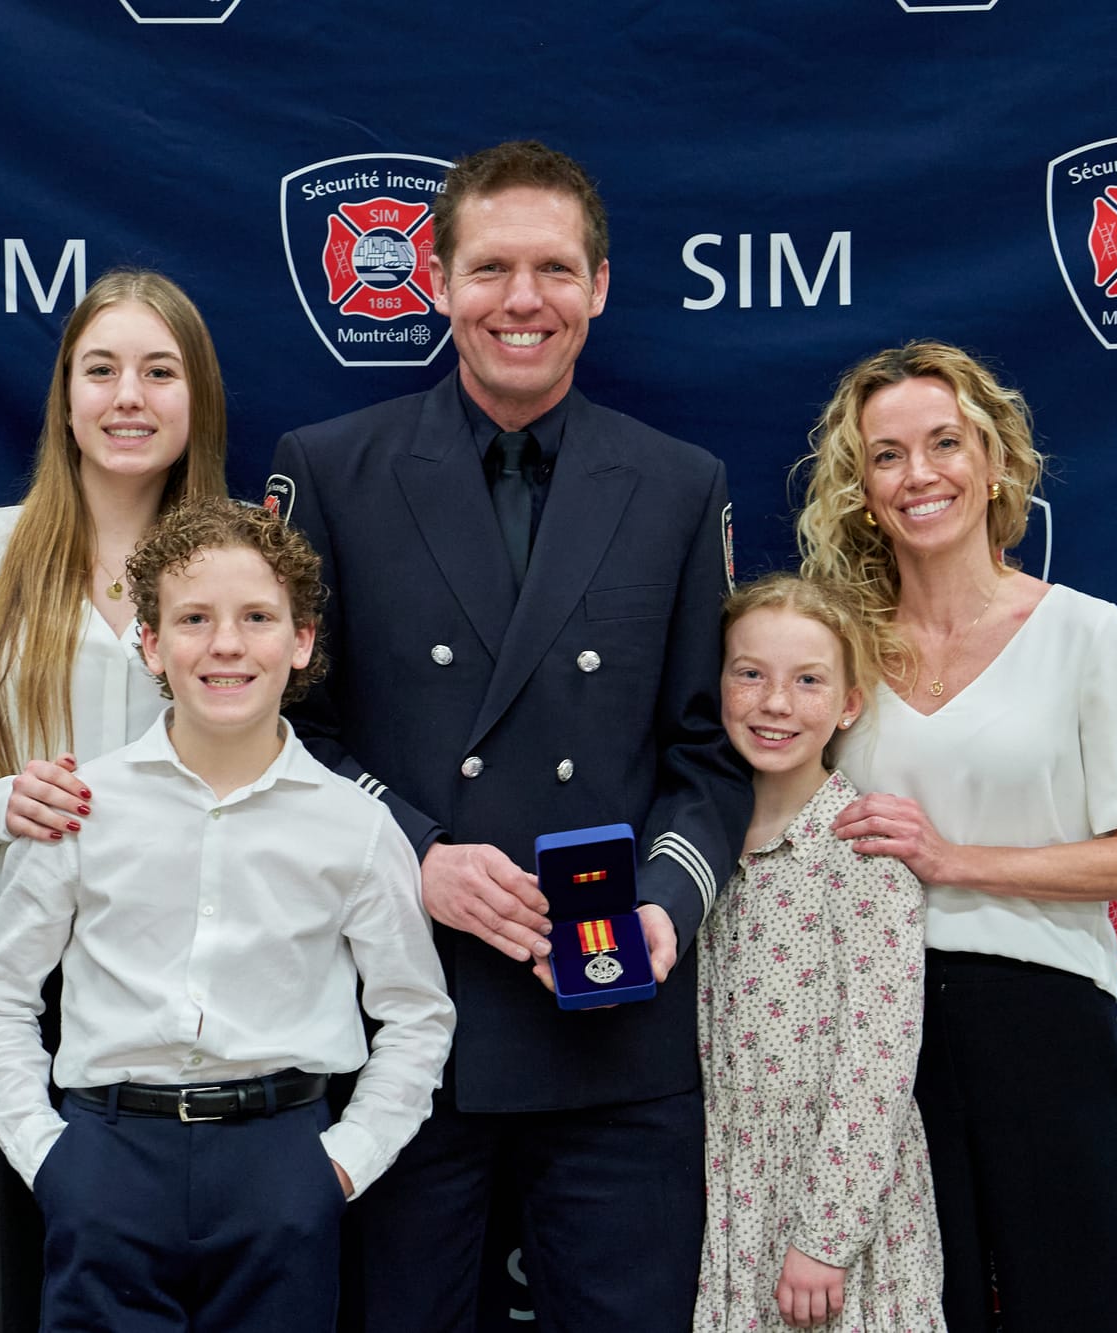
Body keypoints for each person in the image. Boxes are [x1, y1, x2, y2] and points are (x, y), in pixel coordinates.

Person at [267, 139, 753, 1332]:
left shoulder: (677, 485)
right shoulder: (331, 469)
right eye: (489, 268)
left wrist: (662, 909)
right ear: (437, 281)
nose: (520, 300)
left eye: (552, 269)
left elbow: (707, 752)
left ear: (599, 286)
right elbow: (288, 735)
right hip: (401, 1024)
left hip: (610, 1032)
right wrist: (416, 854)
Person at [0, 497, 455, 1332]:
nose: (226, 643)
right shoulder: (86, 807)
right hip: (108, 1160)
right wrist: (50, 1160)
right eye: (194, 618)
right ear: (151, 643)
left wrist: (341, 1163)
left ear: (302, 640)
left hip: (282, 1168)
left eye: (257, 616)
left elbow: (417, 1014)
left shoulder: (358, 826)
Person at [796, 341, 1117, 1333]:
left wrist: (954, 861)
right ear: (860, 488)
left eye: (943, 443)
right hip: (873, 1033)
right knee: (912, 1314)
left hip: (1041, 1020)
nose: (918, 474)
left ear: (995, 461)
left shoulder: (1086, 634)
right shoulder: (835, 651)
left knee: (1078, 1304)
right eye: (886, 455)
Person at [0, 268, 229, 1333]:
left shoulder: (237, 564)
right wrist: (5, 803)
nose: (128, 396)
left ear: (197, 397)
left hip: (197, 1002)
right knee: (8, 1297)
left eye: (159, 371)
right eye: (101, 369)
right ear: (64, 396)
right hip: (15, 995)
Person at [695, 574, 945, 1332]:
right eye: (750, 674)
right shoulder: (700, 856)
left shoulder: (862, 856)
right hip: (734, 1197)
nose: (776, 703)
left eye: (808, 681)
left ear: (848, 704)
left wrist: (825, 1239)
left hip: (836, 1215)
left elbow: (878, 1063)